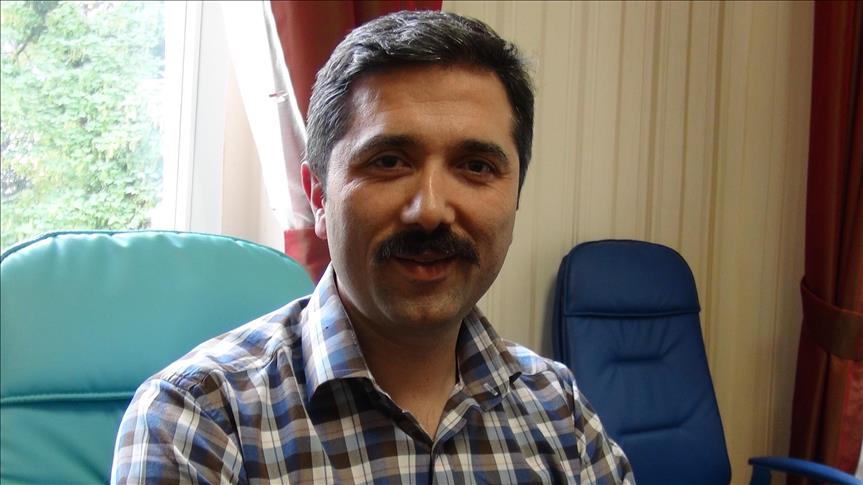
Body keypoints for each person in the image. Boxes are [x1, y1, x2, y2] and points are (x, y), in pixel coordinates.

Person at [112, 10, 634, 484]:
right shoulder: (196, 419)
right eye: (389, 161)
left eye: (476, 166)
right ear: (318, 195)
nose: (430, 210)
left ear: (516, 195)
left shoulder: (560, 410)